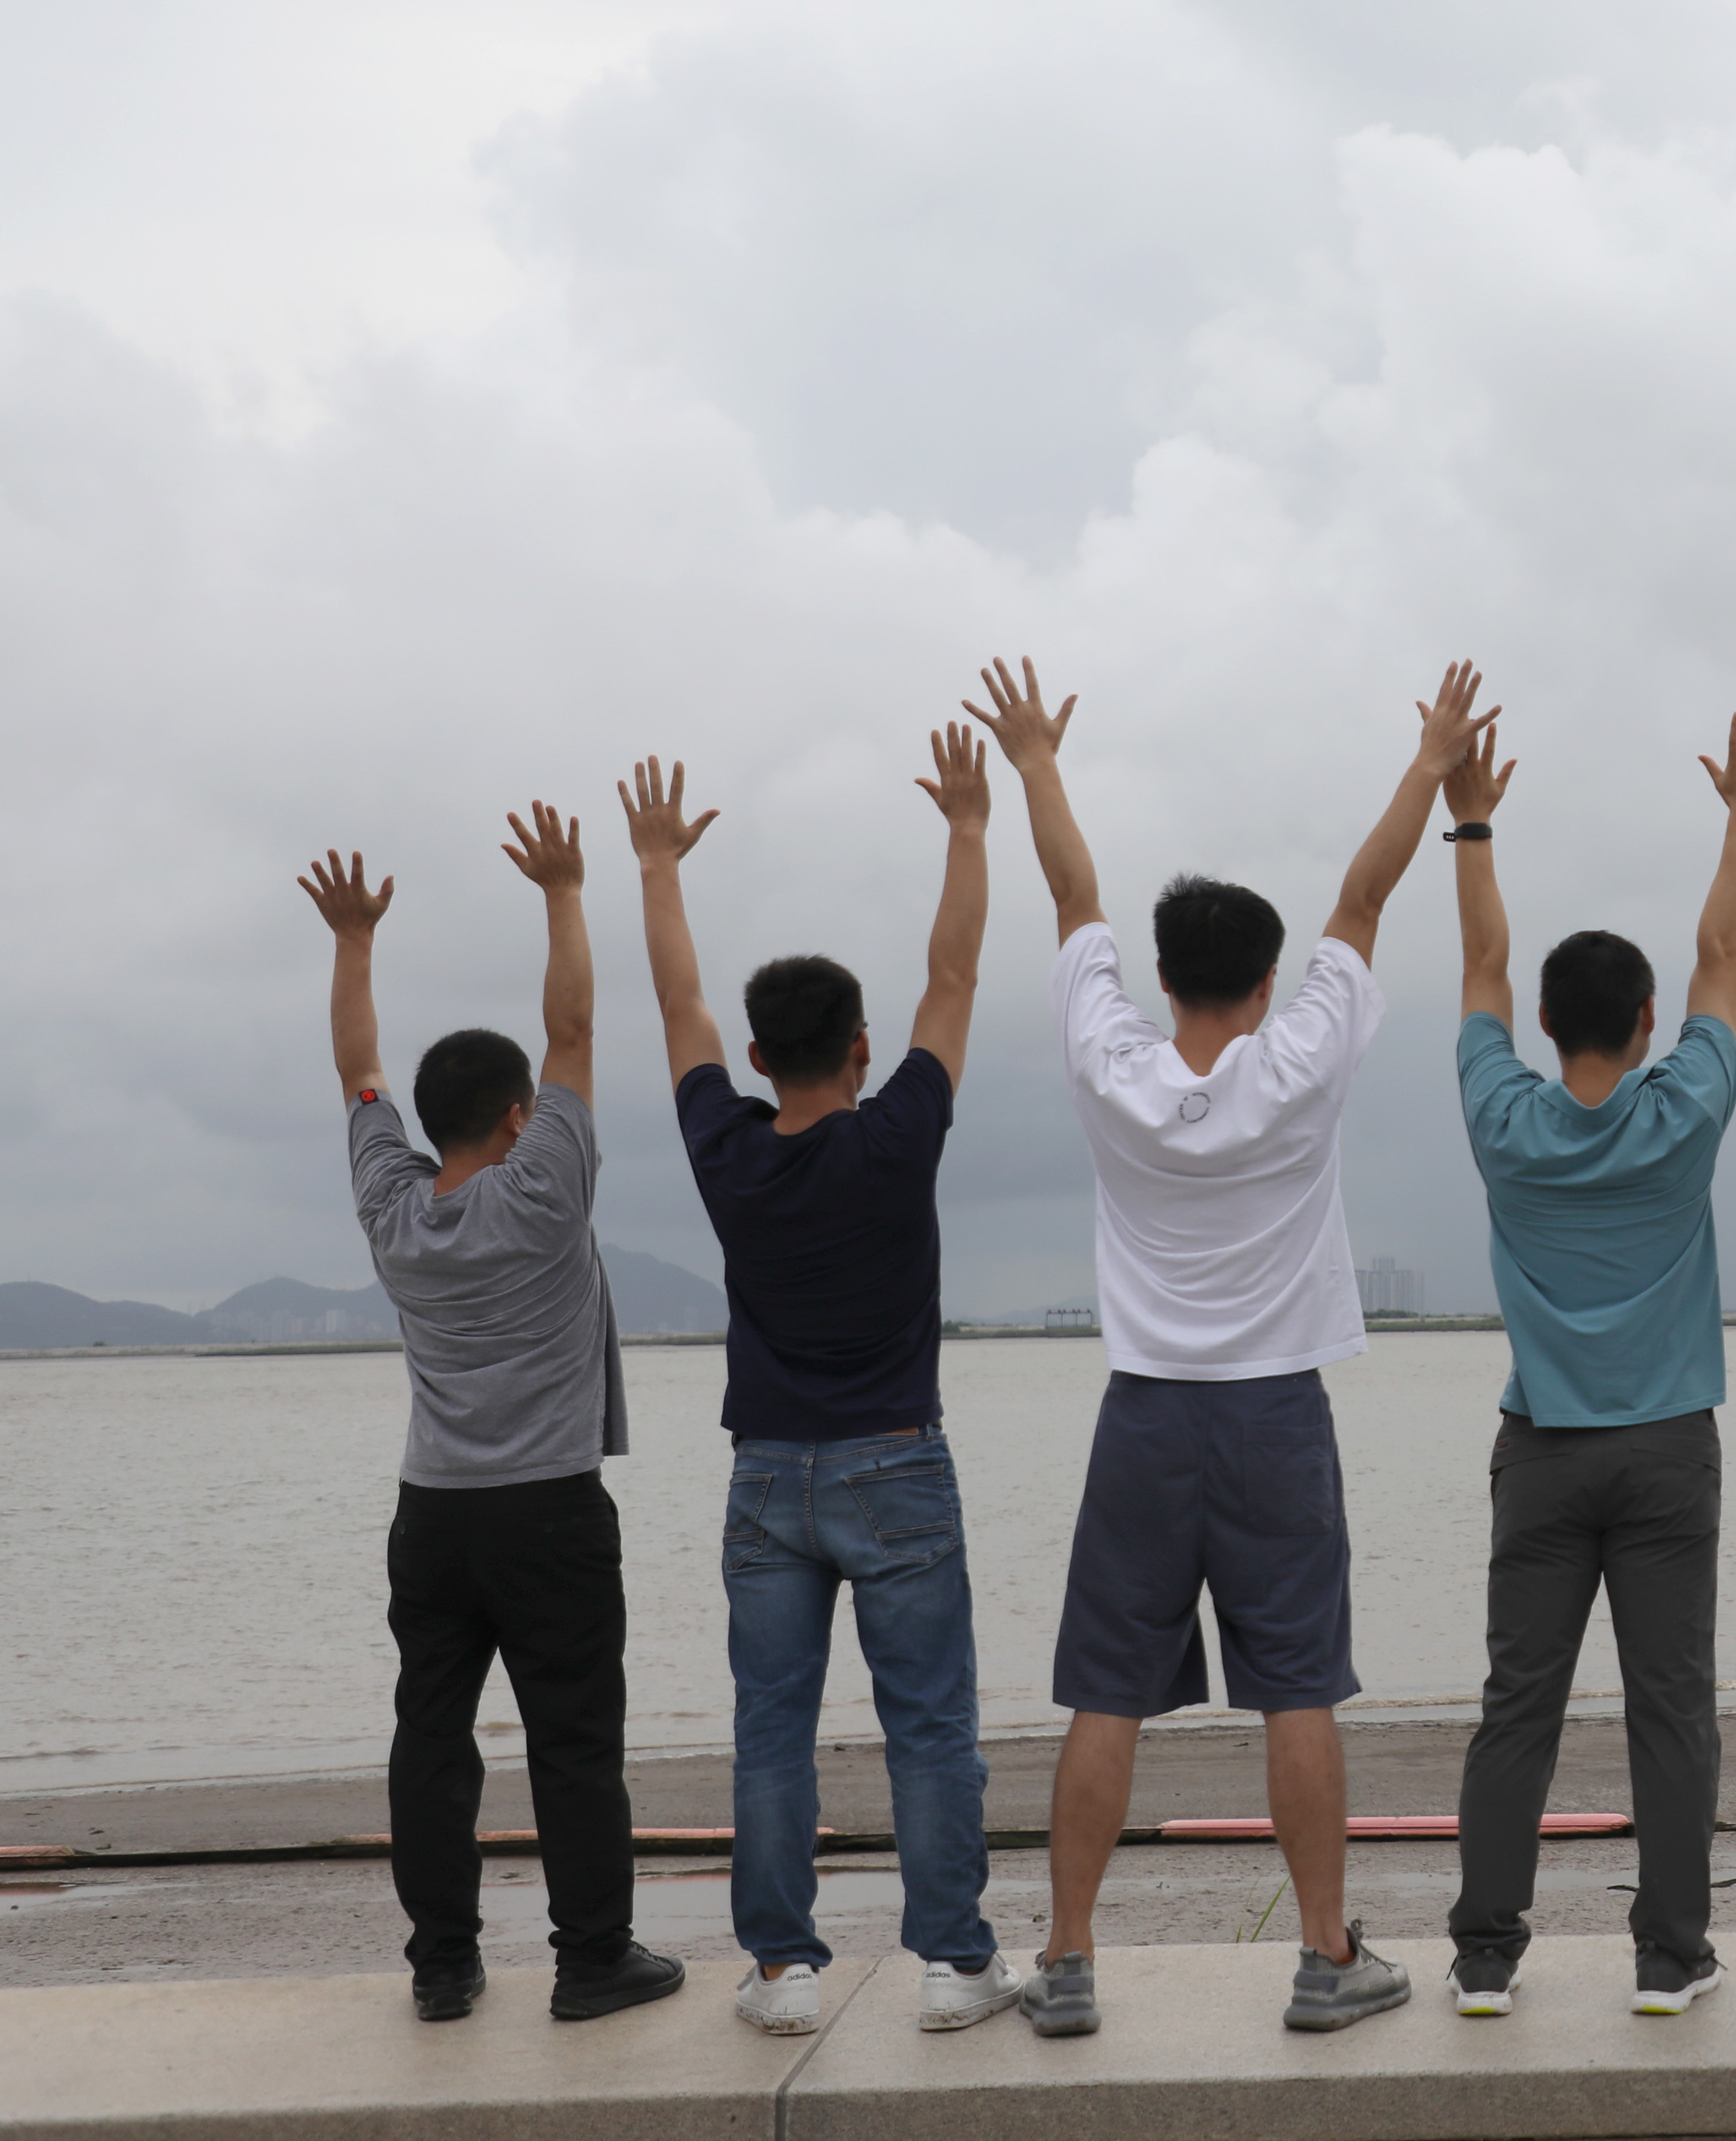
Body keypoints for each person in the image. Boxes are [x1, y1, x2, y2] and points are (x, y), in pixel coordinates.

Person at [966, 654, 1496, 2042]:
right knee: (1299, 1681)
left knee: (1105, 1691)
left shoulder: (1110, 1061)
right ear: (1264, 984)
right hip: (1271, 1414)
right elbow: (1365, 900)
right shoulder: (1300, 1056)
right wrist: (1435, 763)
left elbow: (1074, 896)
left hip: (1144, 1413)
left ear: (1164, 978)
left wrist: (1036, 761)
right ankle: (1326, 1956)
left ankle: (1069, 1957)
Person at [621, 730, 1022, 2038]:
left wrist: (657, 864)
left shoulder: (726, 1149)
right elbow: (953, 970)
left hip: (766, 1473)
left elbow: (677, 1008)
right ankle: (956, 1961)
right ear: (860, 1045)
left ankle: (785, 1968)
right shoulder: (900, 1135)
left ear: (758, 1052)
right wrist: (969, 825)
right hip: (897, 1459)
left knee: (772, 1733)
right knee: (928, 1728)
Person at [302, 811, 686, 2027]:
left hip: (434, 1518)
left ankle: (444, 1967)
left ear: (429, 1125)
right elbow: (573, 1028)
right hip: (550, 1513)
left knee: (432, 1738)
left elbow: (356, 1072)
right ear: (522, 1117)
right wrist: (567, 891)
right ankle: (590, 1962)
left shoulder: (393, 1211)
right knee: (572, 1738)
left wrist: (355, 940)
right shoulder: (546, 1190)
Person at [1439, 706, 1736, 2019]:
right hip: (1667, 1449)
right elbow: (1724, 948)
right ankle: (1667, 1952)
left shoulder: (1503, 1118)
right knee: (1671, 1707)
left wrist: (1471, 821)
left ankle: (1483, 1957)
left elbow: (1478, 952)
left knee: (1515, 1704)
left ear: (1541, 1022)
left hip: (1541, 1454)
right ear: (1646, 1024)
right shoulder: (1684, 1113)